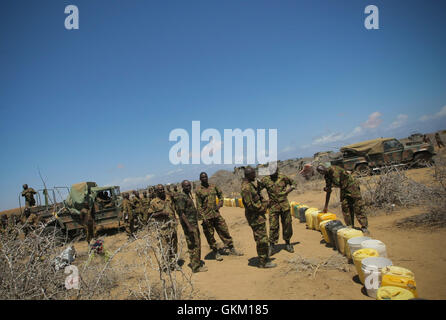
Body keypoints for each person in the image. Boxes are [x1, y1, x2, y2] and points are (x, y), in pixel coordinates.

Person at [195, 172, 243, 261]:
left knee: (224, 230)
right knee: (210, 236)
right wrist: (203, 217)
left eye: (205, 177)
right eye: (202, 177)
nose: (204, 178)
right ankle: (215, 252)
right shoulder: (198, 190)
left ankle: (231, 248)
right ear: (200, 179)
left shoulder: (213, 186)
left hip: (216, 214)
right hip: (207, 217)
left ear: (207, 177)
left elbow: (221, 195)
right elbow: (199, 206)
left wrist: (220, 204)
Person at [316, 164, 370, 235]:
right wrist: (326, 206)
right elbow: (328, 191)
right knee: (345, 206)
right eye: (320, 172)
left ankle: (364, 227)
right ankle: (350, 226)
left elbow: (338, 181)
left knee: (358, 206)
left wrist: (330, 187)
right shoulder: (327, 176)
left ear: (325, 167)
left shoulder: (334, 169)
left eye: (322, 170)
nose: (322, 172)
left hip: (352, 186)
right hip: (344, 189)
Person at [241, 167, 276, 268]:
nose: (255, 175)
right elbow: (250, 205)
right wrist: (264, 206)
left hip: (258, 216)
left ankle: (264, 258)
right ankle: (263, 262)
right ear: (248, 175)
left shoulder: (251, 184)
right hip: (255, 217)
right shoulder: (246, 188)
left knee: (263, 238)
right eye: (253, 173)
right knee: (261, 239)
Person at [259, 167, 296, 255]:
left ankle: (288, 243)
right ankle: (272, 245)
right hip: (273, 207)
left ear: (277, 170)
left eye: (274, 171)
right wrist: (264, 200)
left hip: (284, 206)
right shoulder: (265, 180)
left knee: (287, 224)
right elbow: (257, 190)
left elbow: (294, 184)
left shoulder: (283, 177)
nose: (272, 173)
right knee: (273, 226)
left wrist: (287, 192)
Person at [174, 180, 208, 273]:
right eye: (186, 186)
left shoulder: (187, 195)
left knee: (196, 243)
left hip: (193, 224)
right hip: (189, 225)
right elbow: (181, 213)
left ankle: (195, 262)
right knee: (193, 244)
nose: (188, 187)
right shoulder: (181, 197)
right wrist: (189, 226)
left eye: (189, 186)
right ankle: (195, 267)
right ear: (182, 187)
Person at [147, 184, 180, 271]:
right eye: (159, 190)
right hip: (163, 228)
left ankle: (174, 263)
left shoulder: (169, 199)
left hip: (172, 226)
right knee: (165, 247)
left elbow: (173, 209)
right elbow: (150, 215)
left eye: (162, 189)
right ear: (156, 191)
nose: (161, 191)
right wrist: (160, 213)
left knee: (174, 245)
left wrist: (175, 220)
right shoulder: (153, 202)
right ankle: (166, 265)